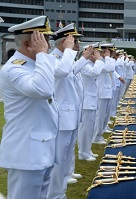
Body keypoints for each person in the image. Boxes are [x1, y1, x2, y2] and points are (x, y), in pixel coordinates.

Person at [0, 16, 59, 199]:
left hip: (42, 147)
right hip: (26, 151)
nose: (48, 45)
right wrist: (42, 54)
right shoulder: (13, 68)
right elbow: (43, 90)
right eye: (43, 39)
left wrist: (42, 56)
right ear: (28, 43)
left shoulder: (34, 64)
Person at [47, 23, 91, 199]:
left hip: (70, 114)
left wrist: (82, 57)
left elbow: (71, 70)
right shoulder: (53, 59)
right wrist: (69, 51)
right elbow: (64, 71)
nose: (76, 45)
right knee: (59, 157)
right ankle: (55, 193)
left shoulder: (64, 59)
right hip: (61, 115)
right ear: (65, 42)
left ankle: (63, 183)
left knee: (66, 151)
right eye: (74, 41)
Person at [77, 43, 105, 161]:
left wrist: (97, 60)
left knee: (90, 128)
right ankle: (83, 152)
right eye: (95, 53)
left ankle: (87, 150)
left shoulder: (91, 64)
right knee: (85, 129)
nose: (97, 55)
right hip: (86, 101)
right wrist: (98, 59)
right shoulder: (84, 65)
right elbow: (95, 72)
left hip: (91, 100)